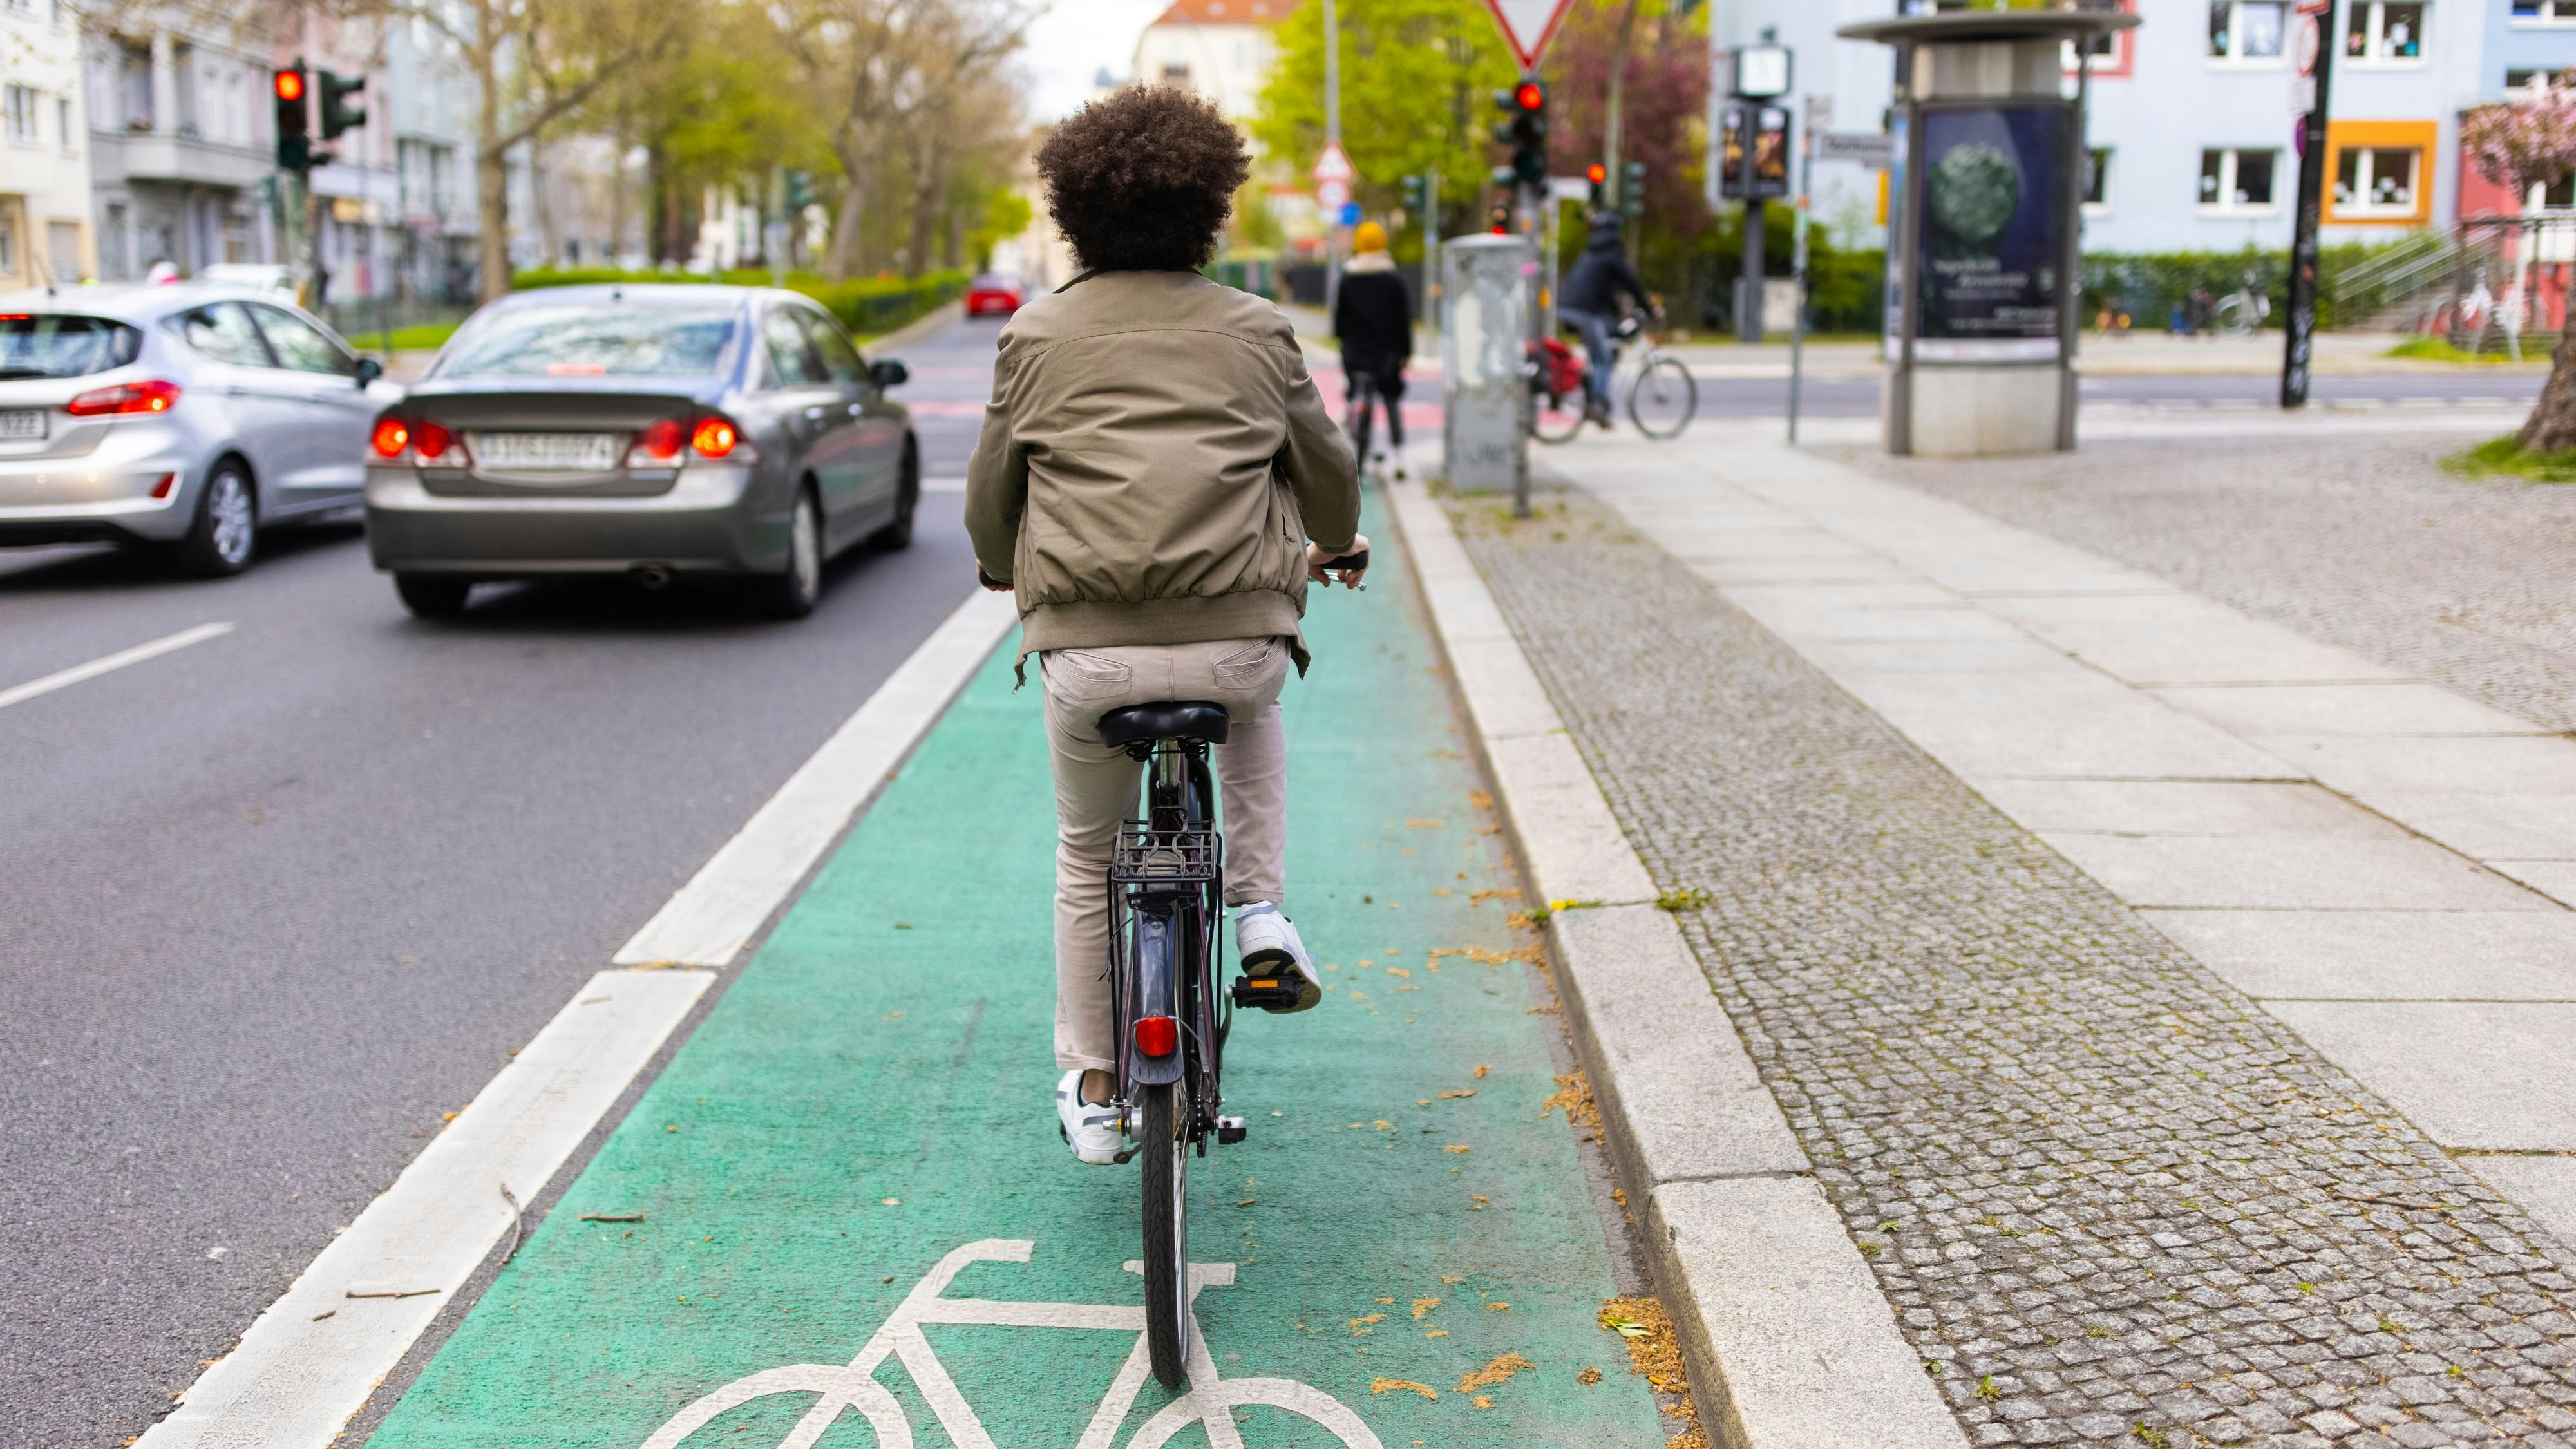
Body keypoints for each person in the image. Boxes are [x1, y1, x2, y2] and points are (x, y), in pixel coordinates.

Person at [963, 86, 1367, 1166]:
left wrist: (1003, 570)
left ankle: (1098, 1084)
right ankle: (1264, 913)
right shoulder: (1257, 330)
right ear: (1210, 207)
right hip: (1237, 641)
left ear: (1075, 210)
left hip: (1087, 653)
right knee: (1253, 706)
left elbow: (991, 496)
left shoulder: (1036, 336)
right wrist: (1337, 540)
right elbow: (1327, 476)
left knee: (1089, 853)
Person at [1332, 220, 1412, 478]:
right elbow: (1403, 320)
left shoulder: (1348, 278)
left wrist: (1344, 343)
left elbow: (1339, 320)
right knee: (1391, 400)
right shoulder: (1393, 280)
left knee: (1357, 392)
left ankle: (1357, 437)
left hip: (1357, 353)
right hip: (1387, 354)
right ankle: (1399, 457)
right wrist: (1406, 352)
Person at [1557, 211, 1652, 428]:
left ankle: (1592, 385)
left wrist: (1617, 311)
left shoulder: (1592, 253)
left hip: (1570, 308)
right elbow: (1631, 284)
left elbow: (1604, 291)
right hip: (1583, 312)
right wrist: (1649, 308)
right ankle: (1599, 405)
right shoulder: (1611, 255)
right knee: (1603, 359)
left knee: (1611, 336)